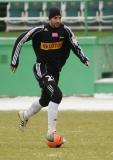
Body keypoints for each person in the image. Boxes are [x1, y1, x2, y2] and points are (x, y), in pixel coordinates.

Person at [10, 7, 89, 142]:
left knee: (45, 101)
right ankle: (51, 133)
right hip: (42, 69)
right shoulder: (39, 31)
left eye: (59, 18)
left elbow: (75, 45)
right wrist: (14, 61)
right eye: (55, 18)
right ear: (49, 19)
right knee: (57, 95)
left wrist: (83, 58)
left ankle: (24, 115)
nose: (58, 20)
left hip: (55, 72)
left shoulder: (65, 31)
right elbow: (20, 39)